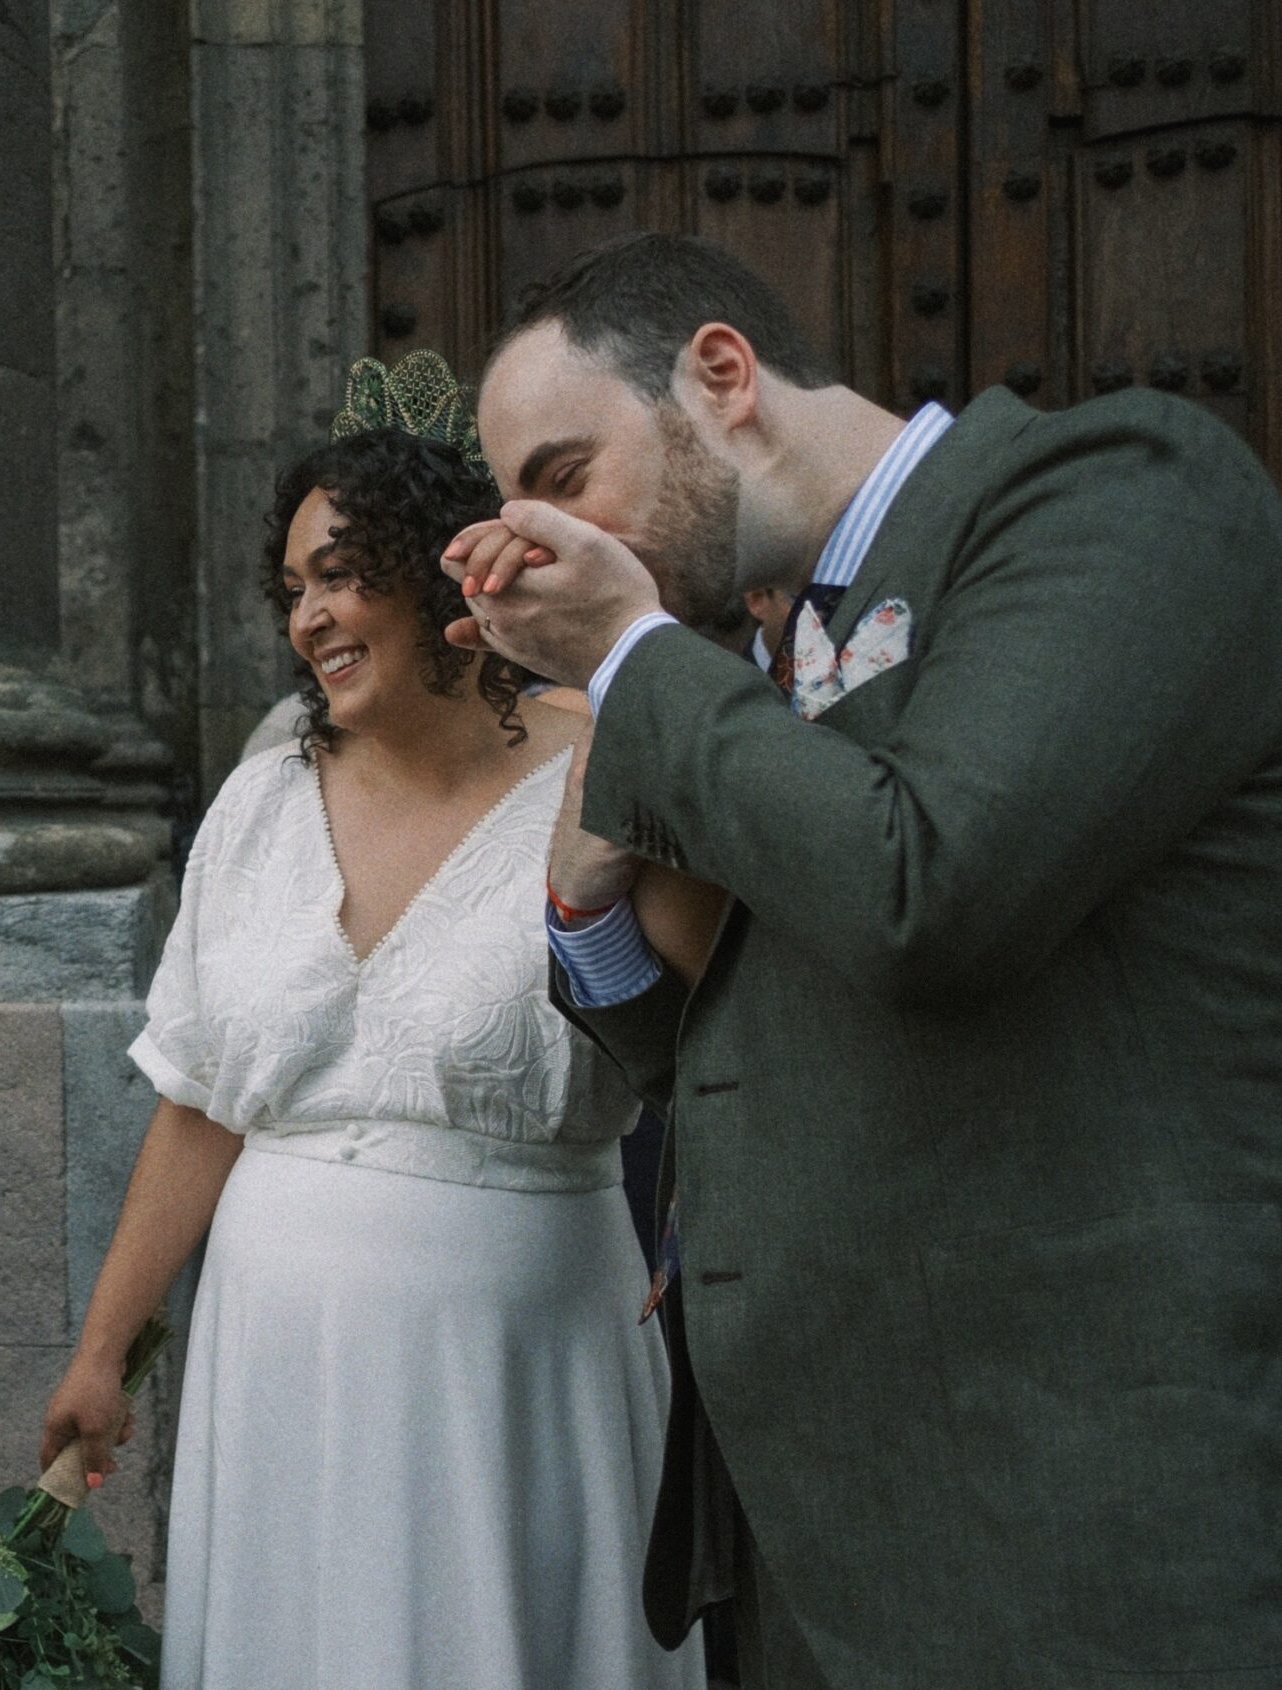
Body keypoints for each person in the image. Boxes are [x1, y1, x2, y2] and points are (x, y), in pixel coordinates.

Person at [443, 231, 1282, 1688]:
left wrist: (634, 658)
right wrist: (586, 905)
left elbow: (930, 892)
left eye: (565, 479)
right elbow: (734, 1053)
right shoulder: (756, 644)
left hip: (1058, 1517)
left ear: (721, 375)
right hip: (806, 1541)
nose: (542, 542)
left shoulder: (1117, 493)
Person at [42, 353, 708, 1689]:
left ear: (439, 566)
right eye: (292, 588)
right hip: (276, 1362)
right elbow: (201, 1101)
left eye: (340, 571)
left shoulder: (617, 755)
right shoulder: (261, 802)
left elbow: (720, 1046)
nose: (310, 615)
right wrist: (103, 1349)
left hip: (516, 1368)